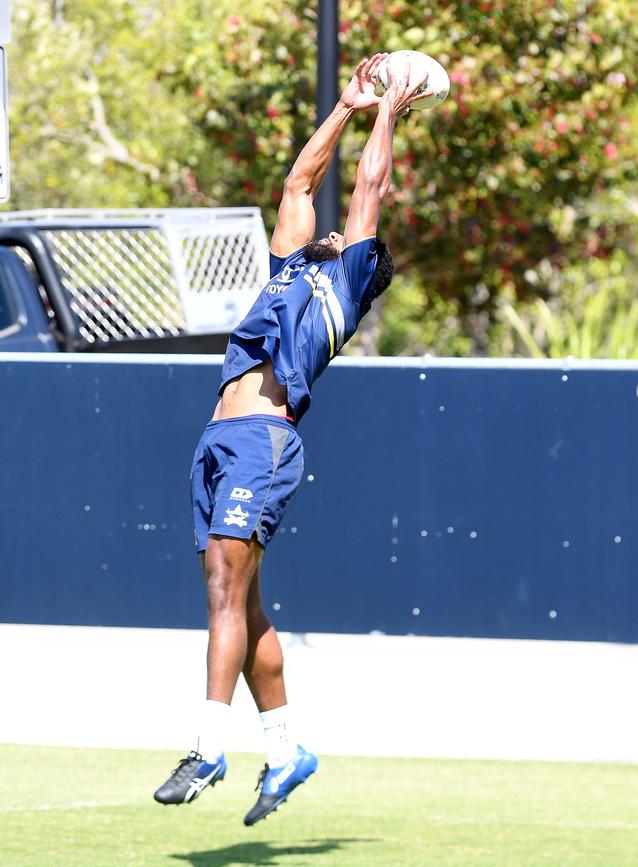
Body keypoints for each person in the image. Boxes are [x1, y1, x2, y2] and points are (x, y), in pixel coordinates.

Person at [153, 53, 432, 826]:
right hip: (217, 443)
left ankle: (209, 746)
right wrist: (344, 107)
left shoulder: (342, 284)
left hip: (262, 442)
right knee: (244, 602)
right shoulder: (288, 268)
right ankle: (286, 753)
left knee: (223, 593)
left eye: (352, 235)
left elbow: (369, 187)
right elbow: (298, 185)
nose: (339, 226)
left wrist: (387, 113)